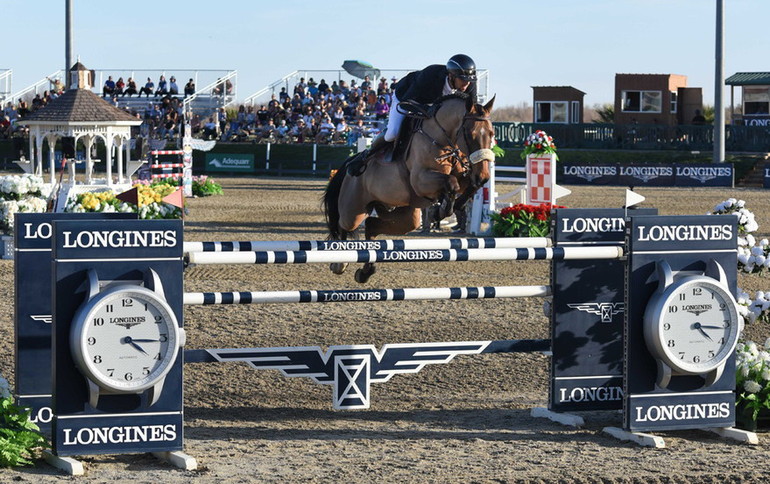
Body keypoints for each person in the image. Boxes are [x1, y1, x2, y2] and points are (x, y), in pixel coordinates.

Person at [347, 54, 477, 175]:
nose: (467, 84)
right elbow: (406, 103)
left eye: (469, 80)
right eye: (463, 80)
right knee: (392, 133)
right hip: (408, 98)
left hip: (436, 106)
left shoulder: (469, 85)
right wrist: (426, 109)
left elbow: (473, 112)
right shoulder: (430, 76)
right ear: (451, 76)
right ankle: (365, 157)